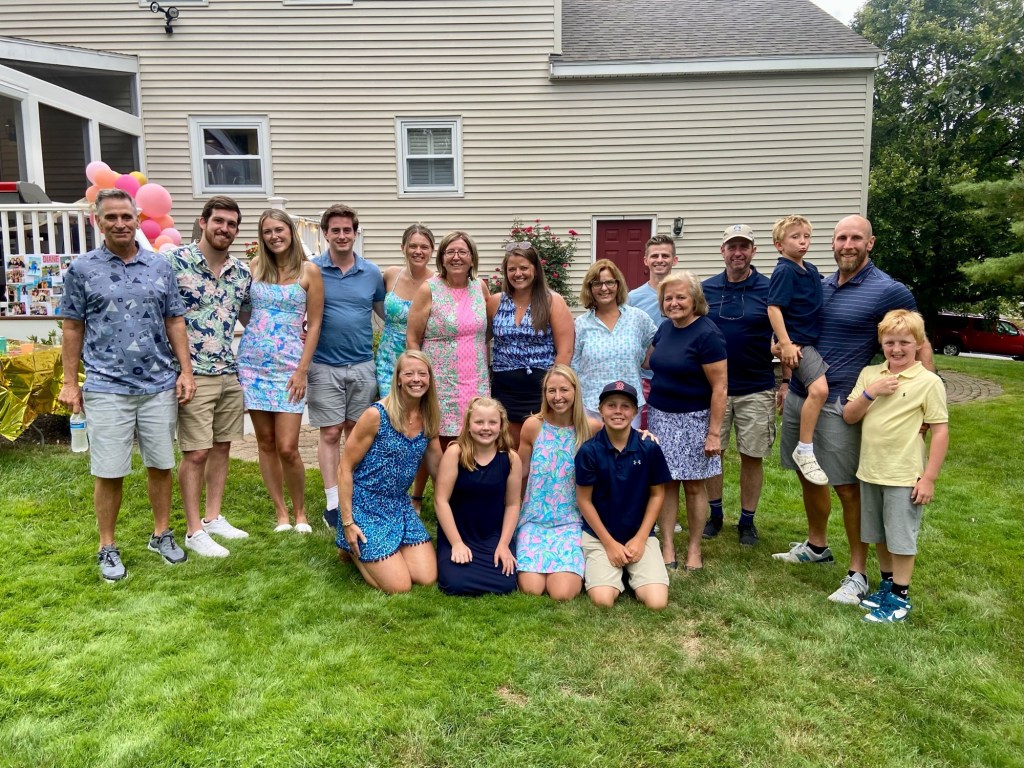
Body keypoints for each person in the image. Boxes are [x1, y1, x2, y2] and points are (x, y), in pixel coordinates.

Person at [773, 214, 934, 607]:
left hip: (841, 402)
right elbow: (791, 330)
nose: (847, 245)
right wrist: (781, 360)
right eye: (841, 237)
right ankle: (817, 545)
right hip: (801, 395)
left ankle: (857, 573)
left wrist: (924, 407)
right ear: (832, 243)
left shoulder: (888, 290)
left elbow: (919, 343)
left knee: (847, 488)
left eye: (856, 238)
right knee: (807, 472)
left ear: (870, 243)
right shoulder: (818, 283)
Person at [57, 188, 196, 582]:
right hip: (106, 386)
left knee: (161, 464)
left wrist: (185, 371)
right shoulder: (82, 269)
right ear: (98, 222)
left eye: (126, 216)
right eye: (111, 218)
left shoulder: (160, 266)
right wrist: (70, 382)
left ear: (137, 219)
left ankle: (161, 534)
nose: (120, 224)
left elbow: (174, 320)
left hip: (158, 384)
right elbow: (72, 327)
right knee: (109, 470)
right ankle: (107, 546)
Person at [842, 310, 948, 623]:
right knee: (879, 533)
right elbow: (849, 415)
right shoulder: (870, 374)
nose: (896, 349)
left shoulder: (928, 382)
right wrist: (871, 392)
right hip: (870, 470)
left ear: (919, 344)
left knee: (901, 538)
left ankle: (900, 598)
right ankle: (887, 585)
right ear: (881, 343)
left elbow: (940, 431)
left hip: (904, 474)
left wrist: (929, 478)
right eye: (890, 342)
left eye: (904, 342)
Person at [167, 195, 252, 557]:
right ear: (203, 222)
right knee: (196, 452)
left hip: (227, 371)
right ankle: (193, 531)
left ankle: (213, 517)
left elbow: (251, 319)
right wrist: (179, 369)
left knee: (221, 446)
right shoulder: (174, 262)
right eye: (218, 221)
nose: (225, 228)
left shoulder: (241, 273)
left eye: (232, 224)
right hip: (192, 373)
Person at [237, 209, 324, 532]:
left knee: (287, 447)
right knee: (265, 442)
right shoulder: (254, 268)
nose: (274, 236)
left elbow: (315, 324)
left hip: (290, 368)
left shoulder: (309, 271)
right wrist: (262, 332)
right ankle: (281, 514)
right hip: (253, 365)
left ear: (290, 231)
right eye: (267, 231)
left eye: (279, 230)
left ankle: (301, 512)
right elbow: (245, 312)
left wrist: (302, 370)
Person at [338, 351, 444, 594]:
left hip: (399, 504)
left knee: (427, 577)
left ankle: (382, 552)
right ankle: (349, 545)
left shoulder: (429, 416)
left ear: (429, 379)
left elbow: (439, 469)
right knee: (399, 586)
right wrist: (347, 521)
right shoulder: (376, 415)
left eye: (422, 374)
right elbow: (345, 467)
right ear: (398, 379)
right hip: (365, 504)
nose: (416, 379)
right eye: (409, 374)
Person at [308, 204, 386, 530]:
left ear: (355, 233)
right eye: (335, 230)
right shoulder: (312, 270)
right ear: (325, 234)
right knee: (330, 432)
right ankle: (331, 502)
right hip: (324, 365)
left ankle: (354, 492)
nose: (342, 235)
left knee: (356, 432)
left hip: (363, 364)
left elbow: (386, 313)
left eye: (347, 230)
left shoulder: (371, 273)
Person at [701, 224, 777, 547]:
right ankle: (715, 514)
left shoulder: (769, 289)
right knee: (712, 454)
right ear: (722, 251)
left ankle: (747, 520)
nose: (737, 253)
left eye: (744, 246)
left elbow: (784, 335)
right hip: (712, 389)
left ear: (753, 251)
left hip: (756, 386)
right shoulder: (705, 289)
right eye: (732, 247)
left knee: (752, 455)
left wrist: (787, 381)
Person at [647, 271, 727, 572]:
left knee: (694, 486)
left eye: (680, 297)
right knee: (666, 484)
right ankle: (667, 545)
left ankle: (694, 547)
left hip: (694, 420)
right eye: (668, 298)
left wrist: (714, 433)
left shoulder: (708, 334)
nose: (674, 303)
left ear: (695, 300)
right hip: (660, 417)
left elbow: (720, 388)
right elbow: (649, 361)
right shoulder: (665, 329)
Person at [575, 381, 672, 610]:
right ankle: (617, 570)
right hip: (600, 536)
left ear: (635, 411)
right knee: (603, 600)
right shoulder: (589, 451)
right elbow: (584, 500)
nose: (618, 411)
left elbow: (657, 494)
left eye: (625, 406)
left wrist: (640, 539)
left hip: (639, 534)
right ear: (600, 410)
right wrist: (609, 544)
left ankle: (633, 570)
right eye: (611, 405)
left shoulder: (649, 447)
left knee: (657, 603)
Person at [516, 364, 597, 601]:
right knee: (531, 589)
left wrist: (644, 435)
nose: (558, 397)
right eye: (551, 390)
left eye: (564, 390)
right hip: (534, 520)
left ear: (575, 391)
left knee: (562, 593)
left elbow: (620, 439)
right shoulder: (533, 426)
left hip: (570, 521)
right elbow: (520, 473)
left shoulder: (591, 428)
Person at [406, 230, 490, 450]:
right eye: (450, 252)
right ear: (442, 258)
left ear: (472, 258)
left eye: (462, 252)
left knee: (476, 438)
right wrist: (419, 376)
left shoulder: (480, 287)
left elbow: (487, 330)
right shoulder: (429, 289)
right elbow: (412, 338)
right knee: (440, 443)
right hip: (441, 384)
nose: (456, 257)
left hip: (476, 380)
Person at [487, 242, 574, 447]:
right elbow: (479, 340)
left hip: (539, 392)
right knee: (508, 449)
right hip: (504, 391)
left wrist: (554, 389)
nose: (518, 274)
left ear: (535, 269)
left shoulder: (552, 301)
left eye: (524, 268)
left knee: (538, 449)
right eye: (512, 269)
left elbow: (565, 351)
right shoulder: (495, 302)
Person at [434, 397, 522, 596]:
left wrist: (504, 544)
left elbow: (512, 505)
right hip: (459, 532)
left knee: (506, 584)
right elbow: (441, 500)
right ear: (468, 425)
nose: (486, 428)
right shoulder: (455, 453)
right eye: (479, 422)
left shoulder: (511, 459)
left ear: (501, 426)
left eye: (492, 422)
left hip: (492, 534)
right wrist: (456, 543)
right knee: (454, 584)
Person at [767, 215, 829, 486]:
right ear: (779, 245)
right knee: (820, 391)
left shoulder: (810, 269)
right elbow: (773, 308)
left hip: (810, 341)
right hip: (798, 344)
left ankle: (805, 446)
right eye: (795, 237)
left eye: (806, 236)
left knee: (817, 391)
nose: (802, 242)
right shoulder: (784, 271)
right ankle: (804, 449)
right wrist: (785, 343)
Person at [571, 259, 657, 424]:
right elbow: (574, 365)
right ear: (590, 288)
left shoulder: (637, 318)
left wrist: (646, 361)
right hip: (592, 407)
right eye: (597, 283)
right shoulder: (581, 324)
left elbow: (658, 340)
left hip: (629, 405)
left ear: (618, 285)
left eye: (609, 282)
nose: (604, 288)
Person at [376, 224, 435, 397]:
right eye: (413, 246)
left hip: (422, 361)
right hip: (389, 361)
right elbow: (376, 304)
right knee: (389, 408)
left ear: (432, 250)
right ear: (403, 248)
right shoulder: (391, 275)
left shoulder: (438, 283)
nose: (418, 251)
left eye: (424, 247)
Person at [627, 234, 678, 428]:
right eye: (655, 256)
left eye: (665, 255)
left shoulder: (684, 296)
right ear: (645, 260)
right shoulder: (633, 298)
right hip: (644, 379)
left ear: (674, 260)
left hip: (675, 378)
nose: (660, 260)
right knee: (641, 434)